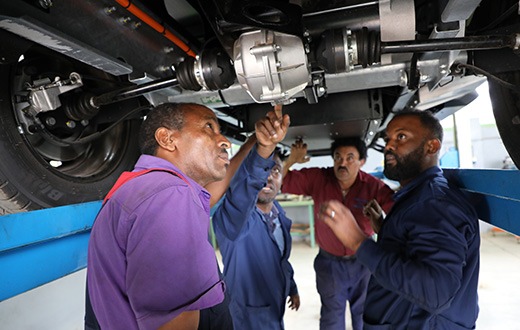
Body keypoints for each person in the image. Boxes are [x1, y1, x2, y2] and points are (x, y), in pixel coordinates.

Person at [86, 102, 283, 330]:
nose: (225, 141)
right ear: (167, 139)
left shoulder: (146, 189)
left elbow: (207, 197)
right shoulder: (170, 195)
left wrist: (255, 143)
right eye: (209, 127)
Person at [320, 110, 480, 329]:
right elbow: (417, 251)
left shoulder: (434, 204)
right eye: (388, 139)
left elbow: (436, 293)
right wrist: (385, 229)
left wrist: (359, 241)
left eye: (401, 137)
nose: (389, 146)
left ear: (431, 147)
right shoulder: (420, 196)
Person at [281, 137, 394, 330]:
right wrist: (291, 160)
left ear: (362, 161)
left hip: (364, 263)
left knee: (366, 316)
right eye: (338, 157)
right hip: (329, 265)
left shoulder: (373, 186)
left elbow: (399, 214)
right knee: (331, 319)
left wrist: (381, 225)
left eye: (350, 158)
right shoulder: (319, 178)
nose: (343, 163)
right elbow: (279, 181)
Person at [212, 106, 300, 330]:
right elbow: (247, 185)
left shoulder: (279, 215)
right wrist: (263, 149)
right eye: (265, 170)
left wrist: (292, 287)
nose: (269, 178)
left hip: (274, 313)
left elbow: (281, 260)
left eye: (276, 171)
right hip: (245, 320)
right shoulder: (234, 219)